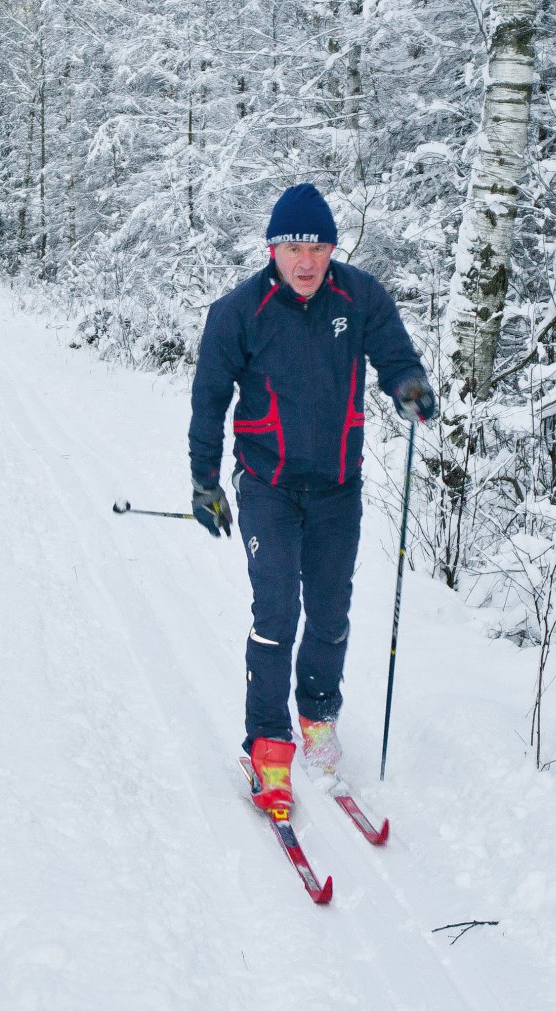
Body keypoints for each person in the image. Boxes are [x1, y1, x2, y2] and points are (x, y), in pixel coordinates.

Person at [188, 183, 435, 810]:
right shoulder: (239, 312)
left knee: (330, 611)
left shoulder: (360, 297)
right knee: (277, 611)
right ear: (272, 249)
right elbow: (209, 400)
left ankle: (318, 714)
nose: (306, 261)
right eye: (293, 246)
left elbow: (394, 355)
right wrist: (204, 479)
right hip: (266, 485)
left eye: (318, 247)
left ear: (332, 249)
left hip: (336, 486)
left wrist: (408, 384)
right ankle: (267, 746)